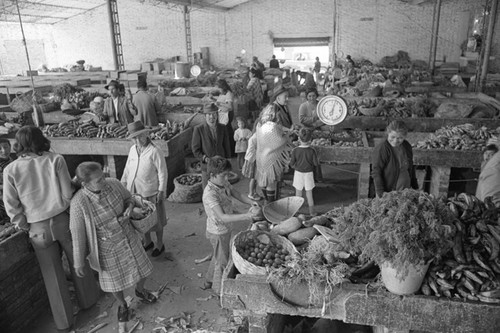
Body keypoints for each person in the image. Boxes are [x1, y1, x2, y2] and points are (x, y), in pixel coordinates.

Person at [3, 126, 99, 331]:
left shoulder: (11, 169)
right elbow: (67, 192)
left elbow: (11, 205)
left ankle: (64, 321)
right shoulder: (55, 159)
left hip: (38, 228)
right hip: (62, 220)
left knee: (51, 274)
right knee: (78, 260)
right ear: (42, 139)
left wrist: (24, 224)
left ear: (18, 144)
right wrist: (63, 206)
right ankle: (89, 301)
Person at [70, 162, 157, 330]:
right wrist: (78, 261)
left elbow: (129, 198)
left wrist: (130, 208)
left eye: (103, 176)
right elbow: (77, 234)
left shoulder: (114, 184)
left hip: (128, 236)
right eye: (98, 180)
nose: (104, 181)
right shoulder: (78, 203)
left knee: (143, 269)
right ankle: (123, 304)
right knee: (115, 283)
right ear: (85, 184)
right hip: (106, 247)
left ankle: (140, 290)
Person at [202, 156, 260, 293]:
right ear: (212, 175)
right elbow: (223, 217)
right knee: (222, 262)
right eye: (223, 176)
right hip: (217, 231)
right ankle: (219, 291)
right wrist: (247, 215)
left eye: (227, 175)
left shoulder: (223, 184)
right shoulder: (210, 194)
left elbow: (237, 194)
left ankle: (208, 280)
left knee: (218, 256)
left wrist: (251, 202)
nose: (227, 178)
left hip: (225, 230)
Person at [121, 120, 167, 257]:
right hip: (135, 191)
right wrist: (123, 184)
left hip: (151, 191)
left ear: (147, 134)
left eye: (140, 136)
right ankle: (147, 242)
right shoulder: (132, 150)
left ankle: (160, 243)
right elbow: (127, 169)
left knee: (157, 220)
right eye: (135, 137)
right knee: (142, 219)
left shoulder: (154, 151)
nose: (138, 140)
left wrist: (161, 190)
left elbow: (162, 172)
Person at [255, 104, 292, 202]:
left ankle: (267, 201)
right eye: (278, 114)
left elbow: (278, 129)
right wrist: (287, 136)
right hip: (271, 157)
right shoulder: (272, 127)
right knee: (271, 182)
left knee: (263, 181)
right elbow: (279, 141)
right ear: (275, 114)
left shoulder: (260, 124)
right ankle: (271, 203)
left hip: (261, 156)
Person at [371, 120, 418, 198]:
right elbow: (376, 171)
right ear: (387, 133)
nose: (395, 141)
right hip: (388, 194)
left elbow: (411, 168)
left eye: (400, 138)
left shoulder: (407, 146)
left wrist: (415, 187)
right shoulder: (383, 148)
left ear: (405, 137)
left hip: (405, 192)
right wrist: (381, 194)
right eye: (392, 137)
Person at [192, 103, 231, 189]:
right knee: (207, 190)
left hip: (221, 165)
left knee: (222, 188)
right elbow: (195, 150)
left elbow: (226, 145)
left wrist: (227, 160)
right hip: (207, 166)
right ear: (204, 116)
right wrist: (205, 158)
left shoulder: (222, 127)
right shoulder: (199, 129)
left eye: (214, 114)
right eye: (209, 114)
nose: (212, 117)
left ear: (217, 115)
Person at [290, 128, 320, 216]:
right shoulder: (312, 150)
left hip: (298, 174)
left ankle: (296, 211)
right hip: (309, 174)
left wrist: (297, 167)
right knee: (309, 194)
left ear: (299, 139)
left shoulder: (295, 150)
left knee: (298, 194)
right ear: (310, 140)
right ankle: (312, 212)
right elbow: (315, 163)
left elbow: (292, 164)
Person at [215, 79, 235, 153]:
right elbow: (220, 102)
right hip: (223, 114)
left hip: (227, 115)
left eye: (219, 88)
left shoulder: (229, 94)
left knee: (228, 132)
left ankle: (231, 150)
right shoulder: (223, 93)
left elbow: (230, 106)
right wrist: (213, 99)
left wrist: (219, 104)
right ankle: (228, 150)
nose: (218, 89)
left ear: (222, 87)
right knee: (226, 132)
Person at [242, 133, 261, 201]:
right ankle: (251, 193)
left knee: (255, 178)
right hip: (252, 160)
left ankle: (254, 192)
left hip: (253, 159)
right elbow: (254, 149)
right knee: (253, 178)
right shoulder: (254, 138)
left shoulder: (256, 136)